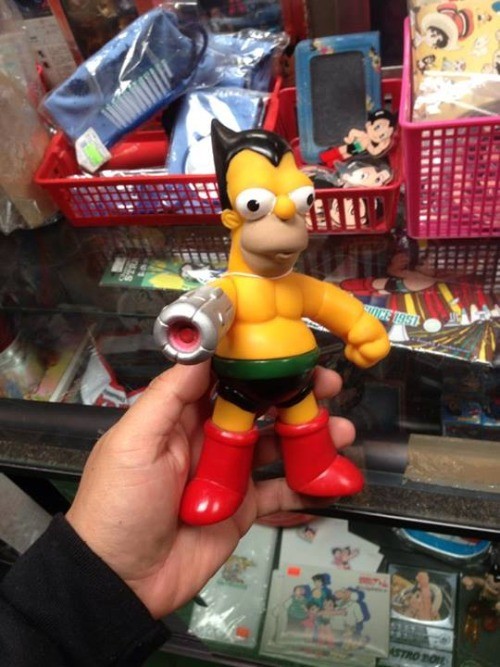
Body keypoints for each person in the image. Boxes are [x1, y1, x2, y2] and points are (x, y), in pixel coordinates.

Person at [0, 359, 355, 666]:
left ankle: (317, 467)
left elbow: (325, 306)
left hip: (296, 379)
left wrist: (357, 327)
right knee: (230, 426)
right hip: (238, 386)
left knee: (303, 416)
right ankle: (217, 484)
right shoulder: (235, 303)